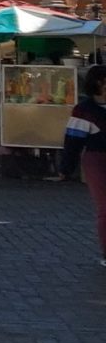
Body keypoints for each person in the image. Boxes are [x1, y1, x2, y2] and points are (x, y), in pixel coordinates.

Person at [71, 63, 106, 265]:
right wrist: (66, 168)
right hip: (97, 159)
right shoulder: (84, 109)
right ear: (97, 83)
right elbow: (73, 140)